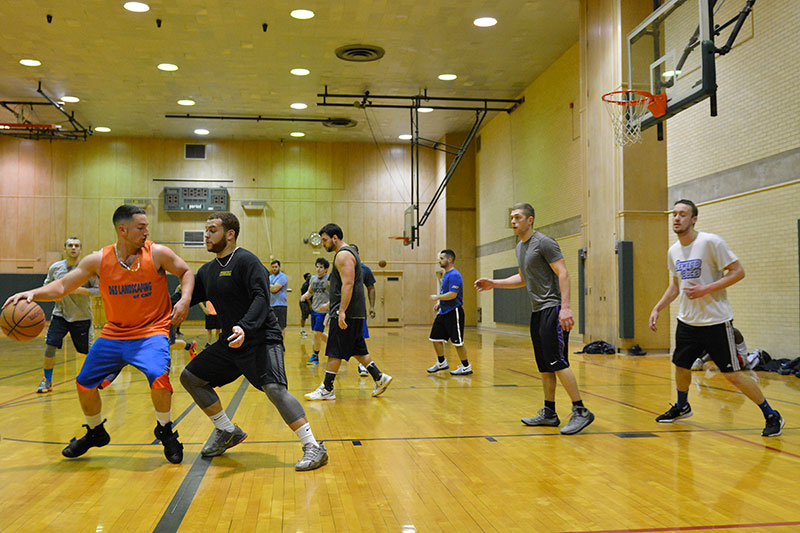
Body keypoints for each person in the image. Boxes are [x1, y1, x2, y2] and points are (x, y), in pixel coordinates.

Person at [3, 205, 194, 463]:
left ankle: (165, 430)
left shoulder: (157, 253)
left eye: (147, 226)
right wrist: (32, 294)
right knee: (84, 383)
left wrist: (184, 300)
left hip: (151, 333)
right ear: (122, 230)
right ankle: (95, 432)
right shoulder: (98, 260)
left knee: (158, 378)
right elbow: (61, 287)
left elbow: (185, 272)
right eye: (141, 227)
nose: (147, 231)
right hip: (114, 333)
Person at [178, 212, 327, 470]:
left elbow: (261, 298)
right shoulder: (207, 271)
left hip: (261, 338)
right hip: (231, 341)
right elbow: (186, 299)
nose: (206, 235)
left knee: (274, 389)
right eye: (205, 230)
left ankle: (313, 446)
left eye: (212, 230)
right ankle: (226, 430)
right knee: (190, 377)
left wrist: (245, 327)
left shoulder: (247, 262)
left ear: (230, 234)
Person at [649, 199, 784, 436]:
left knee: (732, 375)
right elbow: (675, 285)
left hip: (715, 322)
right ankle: (682, 406)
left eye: (683, 214)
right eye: (675, 214)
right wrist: (657, 308)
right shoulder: (673, 251)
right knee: (681, 367)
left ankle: (771, 414)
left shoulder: (711, 242)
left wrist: (707, 289)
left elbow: (738, 272)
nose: (677, 218)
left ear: (694, 219)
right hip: (687, 322)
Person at [475, 203, 595, 435]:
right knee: (545, 366)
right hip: (538, 311)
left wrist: (566, 308)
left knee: (558, 361)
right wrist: (494, 283)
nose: (513, 221)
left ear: (530, 220)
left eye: (517, 217)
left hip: (552, 308)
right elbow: (523, 277)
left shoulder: (544, 242)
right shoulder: (520, 247)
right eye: (511, 218)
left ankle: (580, 410)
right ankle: (549, 412)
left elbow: (563, 273)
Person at [305, 224, 392, 400]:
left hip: (347, 312)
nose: (323, 243)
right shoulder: (347, 254)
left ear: (334, 237)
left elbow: (349, 284)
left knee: (335, 349)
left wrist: (341, 310)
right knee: (358, 349)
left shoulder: (343, 255)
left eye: (324, 240)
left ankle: (327, 389)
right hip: (354, 312)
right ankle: (379, 377)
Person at [35, 237, 100, 393]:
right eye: (70, 245)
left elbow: (99, 291)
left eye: (76, 245)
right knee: (50, 347)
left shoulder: (88, 269)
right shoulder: (56, 268)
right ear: (65, 249)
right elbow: (47, 286)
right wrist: (53, 295)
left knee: (86, 352)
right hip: (60, 315)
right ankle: (47, 381)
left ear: (81, 249)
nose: (73, 248)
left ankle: (92, 379)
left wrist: (78, 290)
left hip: (82, 317)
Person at [427, 249, 471, 375]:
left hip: (454, 312)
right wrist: (440, 303)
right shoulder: (446, 274)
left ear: (449, 260)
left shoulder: (454, 275)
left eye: (441, 258)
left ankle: (466, 366)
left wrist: (437, 297)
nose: (439, 261)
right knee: (435, 337)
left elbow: (452, 294)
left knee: (458, 342)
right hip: (444, 312)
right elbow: (445, 293)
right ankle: (441, 362)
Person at [351, 244, 376, 377]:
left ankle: (363, 365)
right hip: (342, 310)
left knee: (359, 337)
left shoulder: (365, 269)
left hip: (359, 311)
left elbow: (371, 288)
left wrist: (371, 306)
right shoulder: (340, 266)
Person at [300, 258, 330, 366]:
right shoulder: (313, 279)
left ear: (326, 269)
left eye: (321, 267)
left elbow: (336, 294)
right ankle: (334, 345)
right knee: (318, 333)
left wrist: (328, 305)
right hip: (315, 309)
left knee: (317, 333)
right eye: (317, 266)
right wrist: (305, 296)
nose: (318, 269)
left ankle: (315, 356)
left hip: (325, 311)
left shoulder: (329, 279)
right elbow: (310, 291)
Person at [269, 260, 289, 338]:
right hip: (271, 305)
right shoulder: (270, 277)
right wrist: (272, 286)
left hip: (281, 305)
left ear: (279, 267)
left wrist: (269, 286)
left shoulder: (283, 277)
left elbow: (274, 289)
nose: (274, 268)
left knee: (281, 327)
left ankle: (281, 346)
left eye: (276, 267)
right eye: (273, 267)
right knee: (271, 326)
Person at [299, 272, 311, 337]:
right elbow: (306, 297)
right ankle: (302, 330)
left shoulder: (309, 284)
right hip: (304, 302)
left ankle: (313, 328)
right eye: (309, 276)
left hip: (308, 302)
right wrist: (310, 304)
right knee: (304, 316)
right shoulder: (305, 285)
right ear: (306, 278)